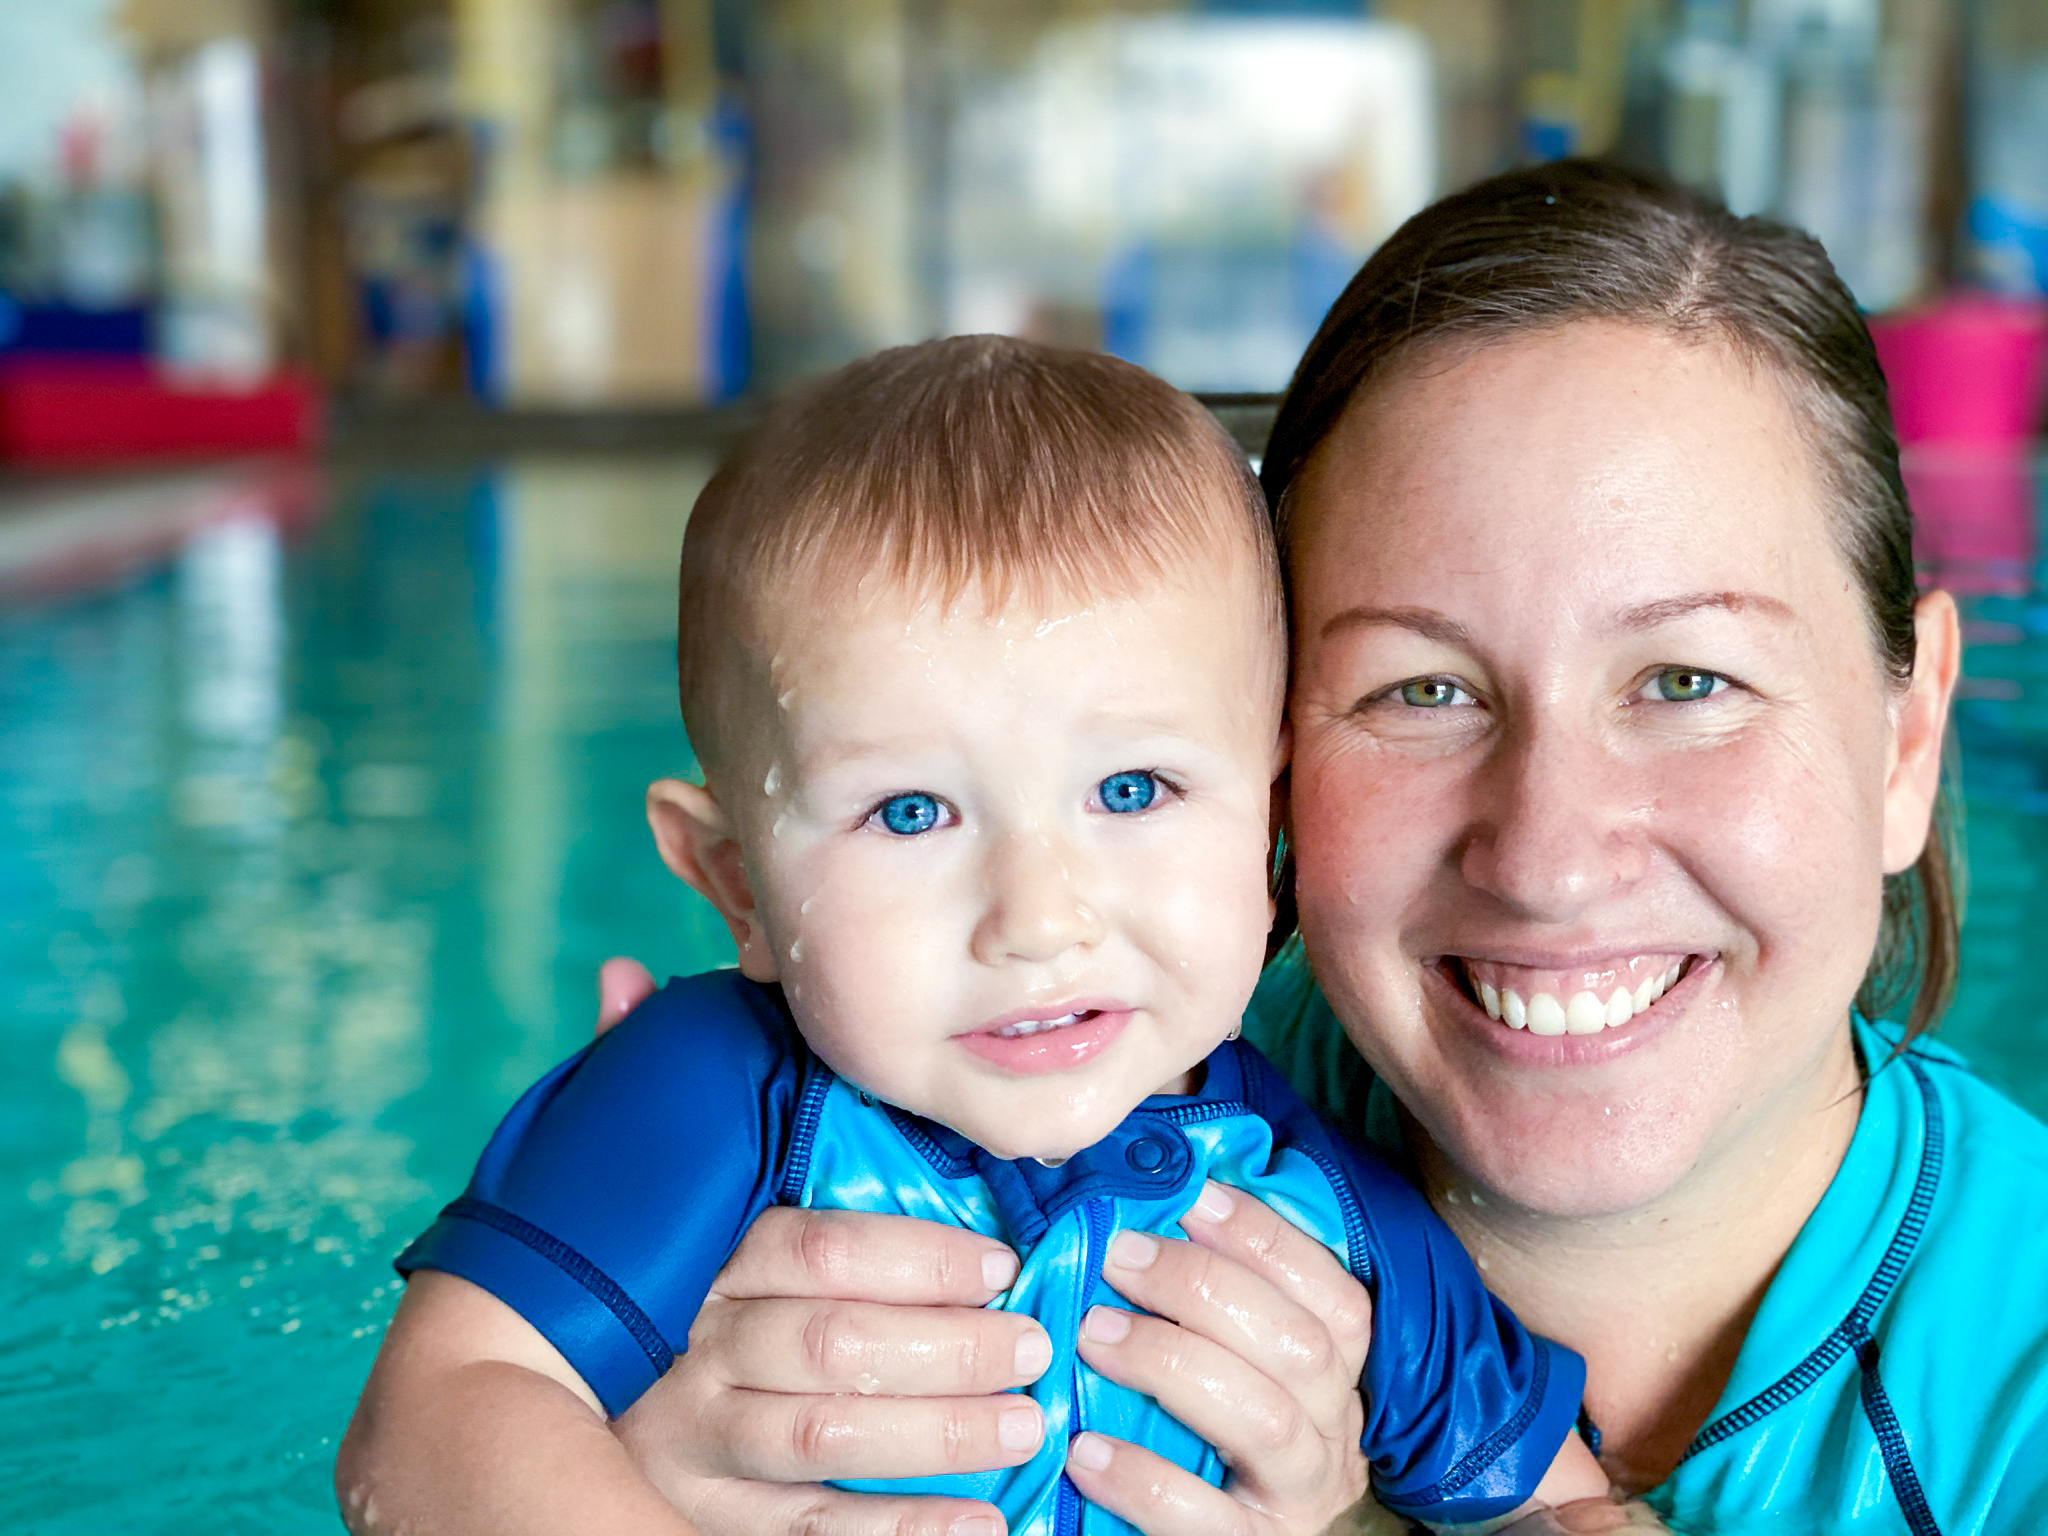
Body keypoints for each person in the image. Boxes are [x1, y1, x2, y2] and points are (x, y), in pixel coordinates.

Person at [559, 161, 2048, 1536]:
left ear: (1906, 740)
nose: (1547, 857)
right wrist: (609, 1453)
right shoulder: (1019, 1084)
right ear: (1269, 767)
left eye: (1687, 682)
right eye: (1422, 690)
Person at [335, 336, 1609, 1536]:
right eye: (909, 812)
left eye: (1130, 791)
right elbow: (438, 1416)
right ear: (737, 885)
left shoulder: (1321, 1215)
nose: (1037, 919)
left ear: (1269, 834)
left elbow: (1557, 1504)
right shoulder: (721, 1095)